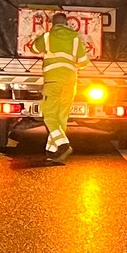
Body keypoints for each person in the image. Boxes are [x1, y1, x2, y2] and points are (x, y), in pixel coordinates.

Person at [28, 11, 88, 158]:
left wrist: (38, 37)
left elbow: (34, 49)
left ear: (52, 24)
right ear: (67, 24)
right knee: (61, 116)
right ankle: (53, 151)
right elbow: (84, 62)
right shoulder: (75, 38)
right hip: (70, 81)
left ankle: (63, 144)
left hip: (53, 81)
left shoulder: (48, 36)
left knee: (49, 115)